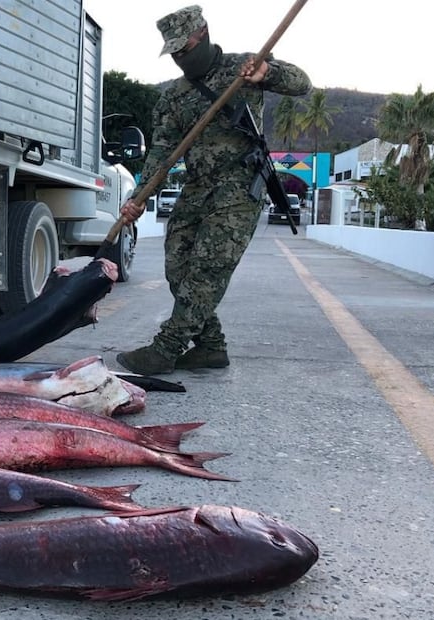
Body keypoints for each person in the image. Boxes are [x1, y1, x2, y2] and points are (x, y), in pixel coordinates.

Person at [115, 5, 311, 376]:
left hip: (238, 187)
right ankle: (210, 347)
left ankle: (166, 348)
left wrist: (268, 71)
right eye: (173, 52)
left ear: (202, 34)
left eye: (183, 49)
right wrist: (138, 198)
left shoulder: (245, 68)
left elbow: (302, 83)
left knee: (207, 270)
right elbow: (161, 151)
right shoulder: (174, 96)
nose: (179, 57)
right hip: (197, 187)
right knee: (177, 267)